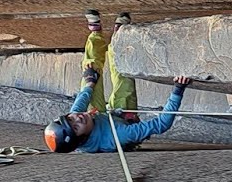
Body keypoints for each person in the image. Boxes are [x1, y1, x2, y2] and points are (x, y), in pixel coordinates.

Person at [44, 9, 191, 153]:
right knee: (123, 80)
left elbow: (81, 100)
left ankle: (95, 34)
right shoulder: (119, 136)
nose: (77, 119)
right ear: (83, 139)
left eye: (70, 119)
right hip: (122, 120)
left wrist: (90, 81)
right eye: (75, 127)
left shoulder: (77, 119)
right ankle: (118, 38)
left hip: (98, 118)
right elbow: (161, 124)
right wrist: (178, 89)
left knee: (90, 72)